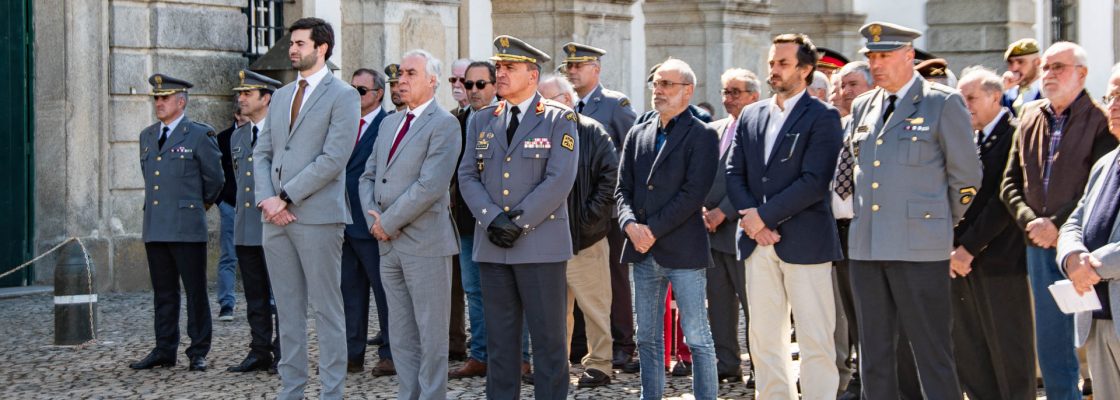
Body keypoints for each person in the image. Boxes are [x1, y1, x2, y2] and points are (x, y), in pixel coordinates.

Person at [845, 21, 981, 399]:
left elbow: (967, 176)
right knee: (872, 355)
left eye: (884, 55)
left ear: (908, 56)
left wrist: (938, 223)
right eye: (871, 56)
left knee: (931, 353)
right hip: (867, 248)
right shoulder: (863, 106)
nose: (876, 64)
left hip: (920, 249)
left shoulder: (942, 102)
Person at [456, 35, 578, 400]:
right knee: (500, 344)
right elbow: (467, 175)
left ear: (533, 74)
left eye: (509, 68)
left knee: (548, 344)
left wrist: (519, 222)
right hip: (493, 246)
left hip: (540, 246)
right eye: (499, 67)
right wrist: (493, 220)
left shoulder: (558, 119)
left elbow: (560, 179)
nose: (501, 74)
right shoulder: (481, 120)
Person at [726, 33, 844, 399]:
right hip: (756, 241)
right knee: (763, 336)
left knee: (815, 337)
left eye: (783, 64)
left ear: (805, 70)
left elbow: (814, 181)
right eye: (772, 63)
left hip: (806, 240)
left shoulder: (822, 116)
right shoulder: (752, 113)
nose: (773, 70)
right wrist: (754, 220)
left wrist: (763, 217)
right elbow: (734, 171)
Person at [1001, 41, 1118, 400]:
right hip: (1047, 247)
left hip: (1094, 263)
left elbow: (1080, 198)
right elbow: (1010, 182)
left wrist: (1060, 231)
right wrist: (1035, 225)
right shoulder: (1030, 116)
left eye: (1059, 67)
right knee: (1052, 337)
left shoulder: (1097, 120)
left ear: (1081, 74)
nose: (1048, 75)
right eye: (1046, 67)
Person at [253, 18, 359, 400]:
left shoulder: (343, 95)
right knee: (288, 309)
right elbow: (262, 152)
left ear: (322, 48)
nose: (293, 50)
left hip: (317, 217)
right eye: (292, 43)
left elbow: (334, 158)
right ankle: (291, 390)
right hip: (274, 218)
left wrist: (287, 196)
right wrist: (268, 198)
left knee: (328, 310)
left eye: (300, 43)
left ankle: (332, 392)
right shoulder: (280, 95)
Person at [359, 48, 461, 400]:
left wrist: (387, 221)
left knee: (431, 334)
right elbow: (367, 176)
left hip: (426, 244)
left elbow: (431, 185)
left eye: (410, 74)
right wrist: (375, 218)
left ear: (432, 81)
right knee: (400, 333)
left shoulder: (445, 124)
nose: (401, 80)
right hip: (388, 243)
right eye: (400, 73)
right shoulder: (389, 123)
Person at [616, 57, 719, 400]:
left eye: (666, 84)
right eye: (656, 84)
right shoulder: (638, 132)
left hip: (683, 250)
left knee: (697, 336)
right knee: (647, 336)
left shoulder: (702, 134)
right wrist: (630, 225)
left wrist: (651, 230)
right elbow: (622, 190)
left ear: (687, 91)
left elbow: (693, 193)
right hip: (643, 251)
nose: (657, 90)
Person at [948, 66, 1036, 399]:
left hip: (1000, 261)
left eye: (970, 98)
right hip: (960, 262)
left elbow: (1004, 199)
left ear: (996, 96)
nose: (964, 105)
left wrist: (968, 247)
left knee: (1009, 353)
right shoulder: (968, 139)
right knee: (971, 351)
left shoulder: (1015, 134)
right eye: (960, 99)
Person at [128, 73, 223, 373]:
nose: (159, 103)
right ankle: (164, 348)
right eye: (156, 98)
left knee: (195, 291)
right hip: (156, 225)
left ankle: (198, 350)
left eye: (164, 98)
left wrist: (196, 205)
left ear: (180, 101)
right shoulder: (147, 135)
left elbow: (215, 180)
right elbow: (151, 179)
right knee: (163, 292)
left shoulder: (198, 134)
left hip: (186, 226)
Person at [560, 42, 640, 369]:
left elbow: (631, 153)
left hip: (606, 210)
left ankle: (623, 344)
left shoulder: (613, 105)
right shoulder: (562, 106)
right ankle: (580, 343)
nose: (573, 71)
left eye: (580, 65)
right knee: (576, 282)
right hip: (572, 212)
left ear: (596, 69)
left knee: (614, 280)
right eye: (569, 66)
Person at [538, 73, 619, 388]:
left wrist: (587, 220)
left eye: (548, 101)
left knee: (595, 306)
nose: (542, 107)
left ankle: (601, 364)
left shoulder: (593, 132)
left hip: (586, 237)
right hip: (548, 238)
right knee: (556, 312)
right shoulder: (540, 133)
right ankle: (557, 364)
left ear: (567, 99)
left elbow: (609, 179)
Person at [1057, 63, 1120, 399]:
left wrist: (1092, 265)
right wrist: (1071, 257)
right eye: (1111, 96)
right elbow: (1074, 221)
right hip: (1099, 318)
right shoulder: (1105, 163)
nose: (1113, 105)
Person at [705, 67, 760, 385]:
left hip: (744, 230)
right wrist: (702, 210)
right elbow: (700, 174)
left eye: (735, 92)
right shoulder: (714, 130)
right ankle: (727, 363)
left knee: (754, 305)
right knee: (719, 303)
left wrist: (723, 212)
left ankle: (759, 365)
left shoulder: (760, 132)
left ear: (754, 96)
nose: (728, 99)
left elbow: (753, 180)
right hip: (711, 233)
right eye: (725, 92)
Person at [227, 69, 283, 374]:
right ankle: (259, 349)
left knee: (283, 294)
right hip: (247, 226)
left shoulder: (281, 133)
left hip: (276, 224)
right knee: (255, 295)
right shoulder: (239, 134)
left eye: (248, 93)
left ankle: (283, 351)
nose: (241, 98)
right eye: (241, 93)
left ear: (266, 98)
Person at [342, 68, 393, 375]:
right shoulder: (343, 124)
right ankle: (351, 353)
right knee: (349, 291)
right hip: (342, 220)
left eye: (361, 91)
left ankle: (389, 352)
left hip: (373, 222)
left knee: (385, 291)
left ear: (378, 94)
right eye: (352, 90)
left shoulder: (388, 125)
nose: (355, 96)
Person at [830, 59, 874, 399]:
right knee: (852, 312)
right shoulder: (841, 127)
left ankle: (873, 379)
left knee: (871, 310)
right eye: (842, 85)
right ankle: (861, 378)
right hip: (840, 233)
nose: (845, 92)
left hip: (870, 231)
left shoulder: (877, 126)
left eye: (853, 84)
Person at [215, 106, 246, 322]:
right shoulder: (223, 138)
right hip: (230, 205)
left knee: (265, 255)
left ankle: (271, 299)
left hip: (256, 206)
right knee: (228, 255)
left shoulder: (262, 135)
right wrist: (220, 200)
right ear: (236, 115)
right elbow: (213, 171)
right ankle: (227, 303)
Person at [1002, 38, 1043, 117]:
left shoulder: (1048, 92)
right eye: (1010, 62)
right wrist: (1002, 89)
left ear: (1037, 62)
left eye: (1020, 62)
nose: (1014, 68)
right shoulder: (1006, 93)